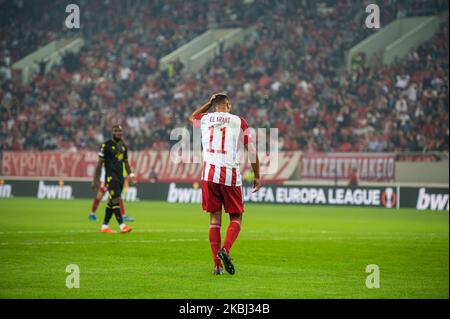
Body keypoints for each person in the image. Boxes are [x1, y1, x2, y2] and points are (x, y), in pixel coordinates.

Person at [189, 93, 261, 275]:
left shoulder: (206, 118)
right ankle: (225, 250)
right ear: (228, 105)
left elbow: (192, 117)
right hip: (229, 175)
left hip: (209, 175)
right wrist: (257, 175)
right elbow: (251, 151)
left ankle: (216, 266)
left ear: (215, 105)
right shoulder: (239, 121)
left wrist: (208, 103)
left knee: (214, 220)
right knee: (236, 218)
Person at [92, 125, 137, 233]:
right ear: (112, 132)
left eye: (120, 131)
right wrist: (95, 180)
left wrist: (131, 174)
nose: (118, 133)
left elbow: (126, 162)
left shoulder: (123, 146)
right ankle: (122, 226)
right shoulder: (105, 146)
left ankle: (104, 226)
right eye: (116, 131)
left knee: (112, 202)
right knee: (116, 199)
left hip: (120, 177)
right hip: (110, 177)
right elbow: (99, 164)